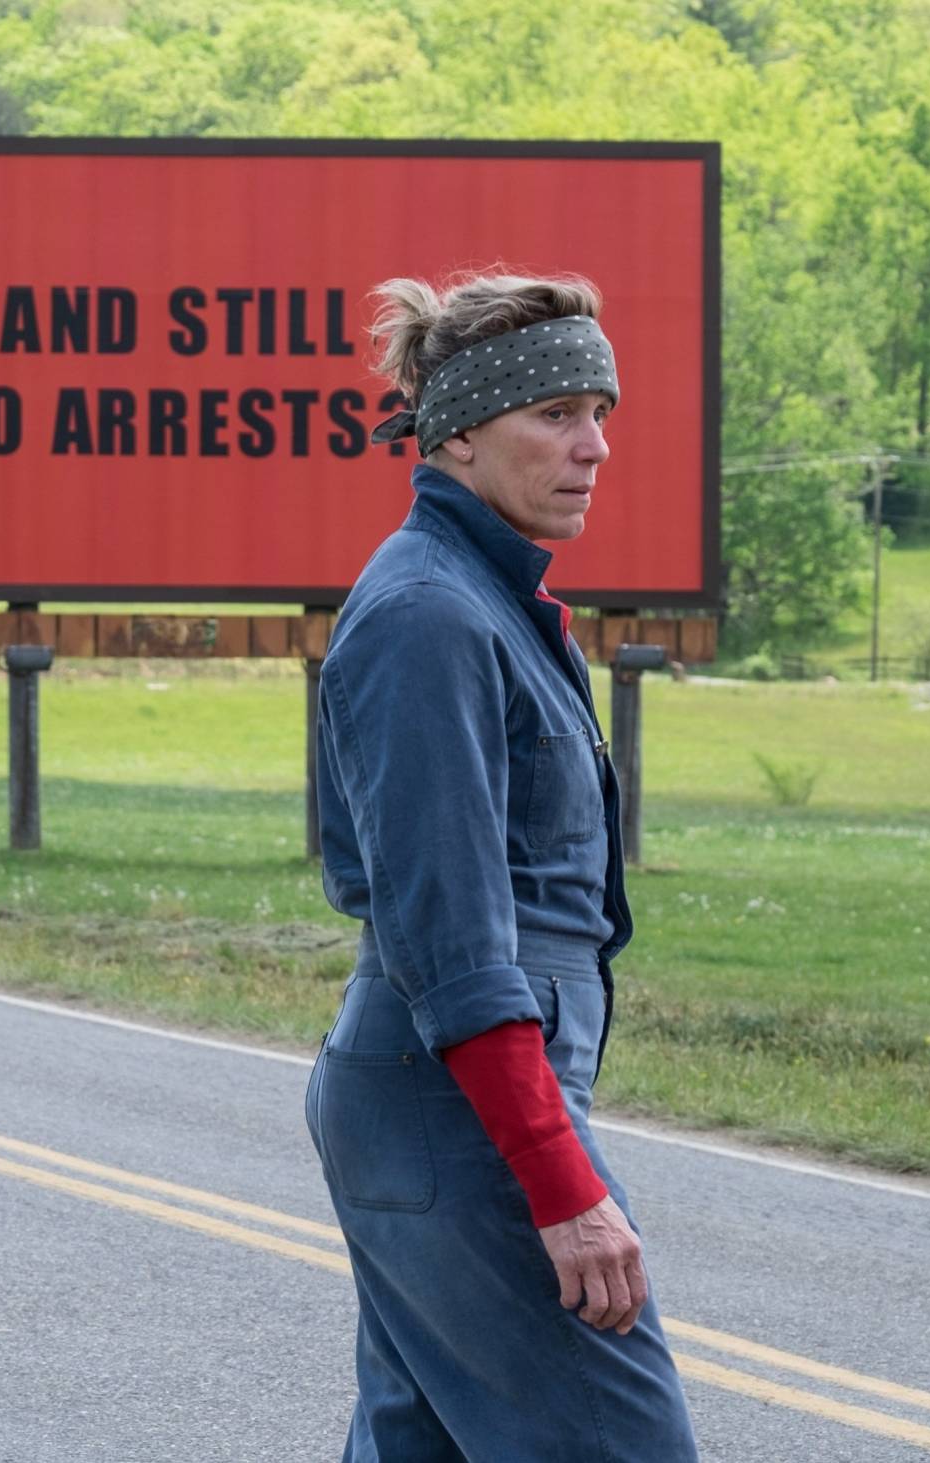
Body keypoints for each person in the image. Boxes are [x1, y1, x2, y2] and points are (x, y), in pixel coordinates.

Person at [304, 271, 700, 1461]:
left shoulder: (481, 598)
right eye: (556, 414)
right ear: (460, 433)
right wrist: (559, 1180)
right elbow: (455, 944)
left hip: (440, 1104)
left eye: (600, 413)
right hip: (457, 1105)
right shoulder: (430, 616)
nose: (593, 447)